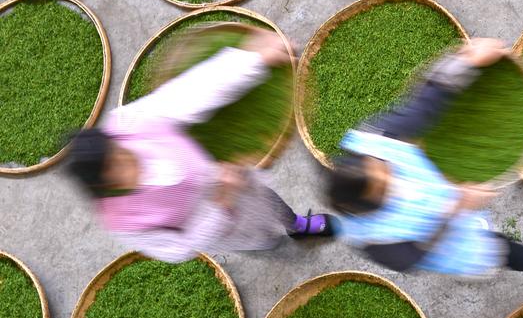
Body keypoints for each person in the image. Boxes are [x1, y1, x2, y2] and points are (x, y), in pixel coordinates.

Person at [326, 38, 523, 279]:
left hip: (440, 187)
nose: (390, 171)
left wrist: (465, 62)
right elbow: (417, 256)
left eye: (382, 166)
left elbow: (421, 109)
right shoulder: (376, 239)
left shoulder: (372, 143)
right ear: (372, 203)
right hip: (449, 239)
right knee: (501, 250)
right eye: (384, 184)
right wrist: (456, 207)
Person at [66, 28, 337, 263]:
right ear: (104, 185)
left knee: (269, 201)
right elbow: (177, 249)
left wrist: (254, 60)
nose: (128, 159)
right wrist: (221, 203)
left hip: (227, 171)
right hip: (220, 225)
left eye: (120, 152)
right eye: (116, 167)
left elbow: (190, 93)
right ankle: (270, 243)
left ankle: (297, 225)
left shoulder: (128, 125)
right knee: (258, 239)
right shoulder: (123, 222)